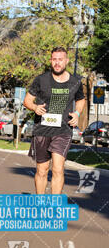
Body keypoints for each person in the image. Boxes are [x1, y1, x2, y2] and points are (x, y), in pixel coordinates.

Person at [23, 47, 85, 194]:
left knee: (58, 168)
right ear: (51, 61)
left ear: (66, 61)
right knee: (42, 170)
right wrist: (35, 108)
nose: (57, 63)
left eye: (60, 59)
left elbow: (81, 100)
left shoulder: (75, 82)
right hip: (42, 130)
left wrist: (77, 113)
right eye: (54, 59)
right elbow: (27, 101)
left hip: (63, 131)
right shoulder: (41, 80)